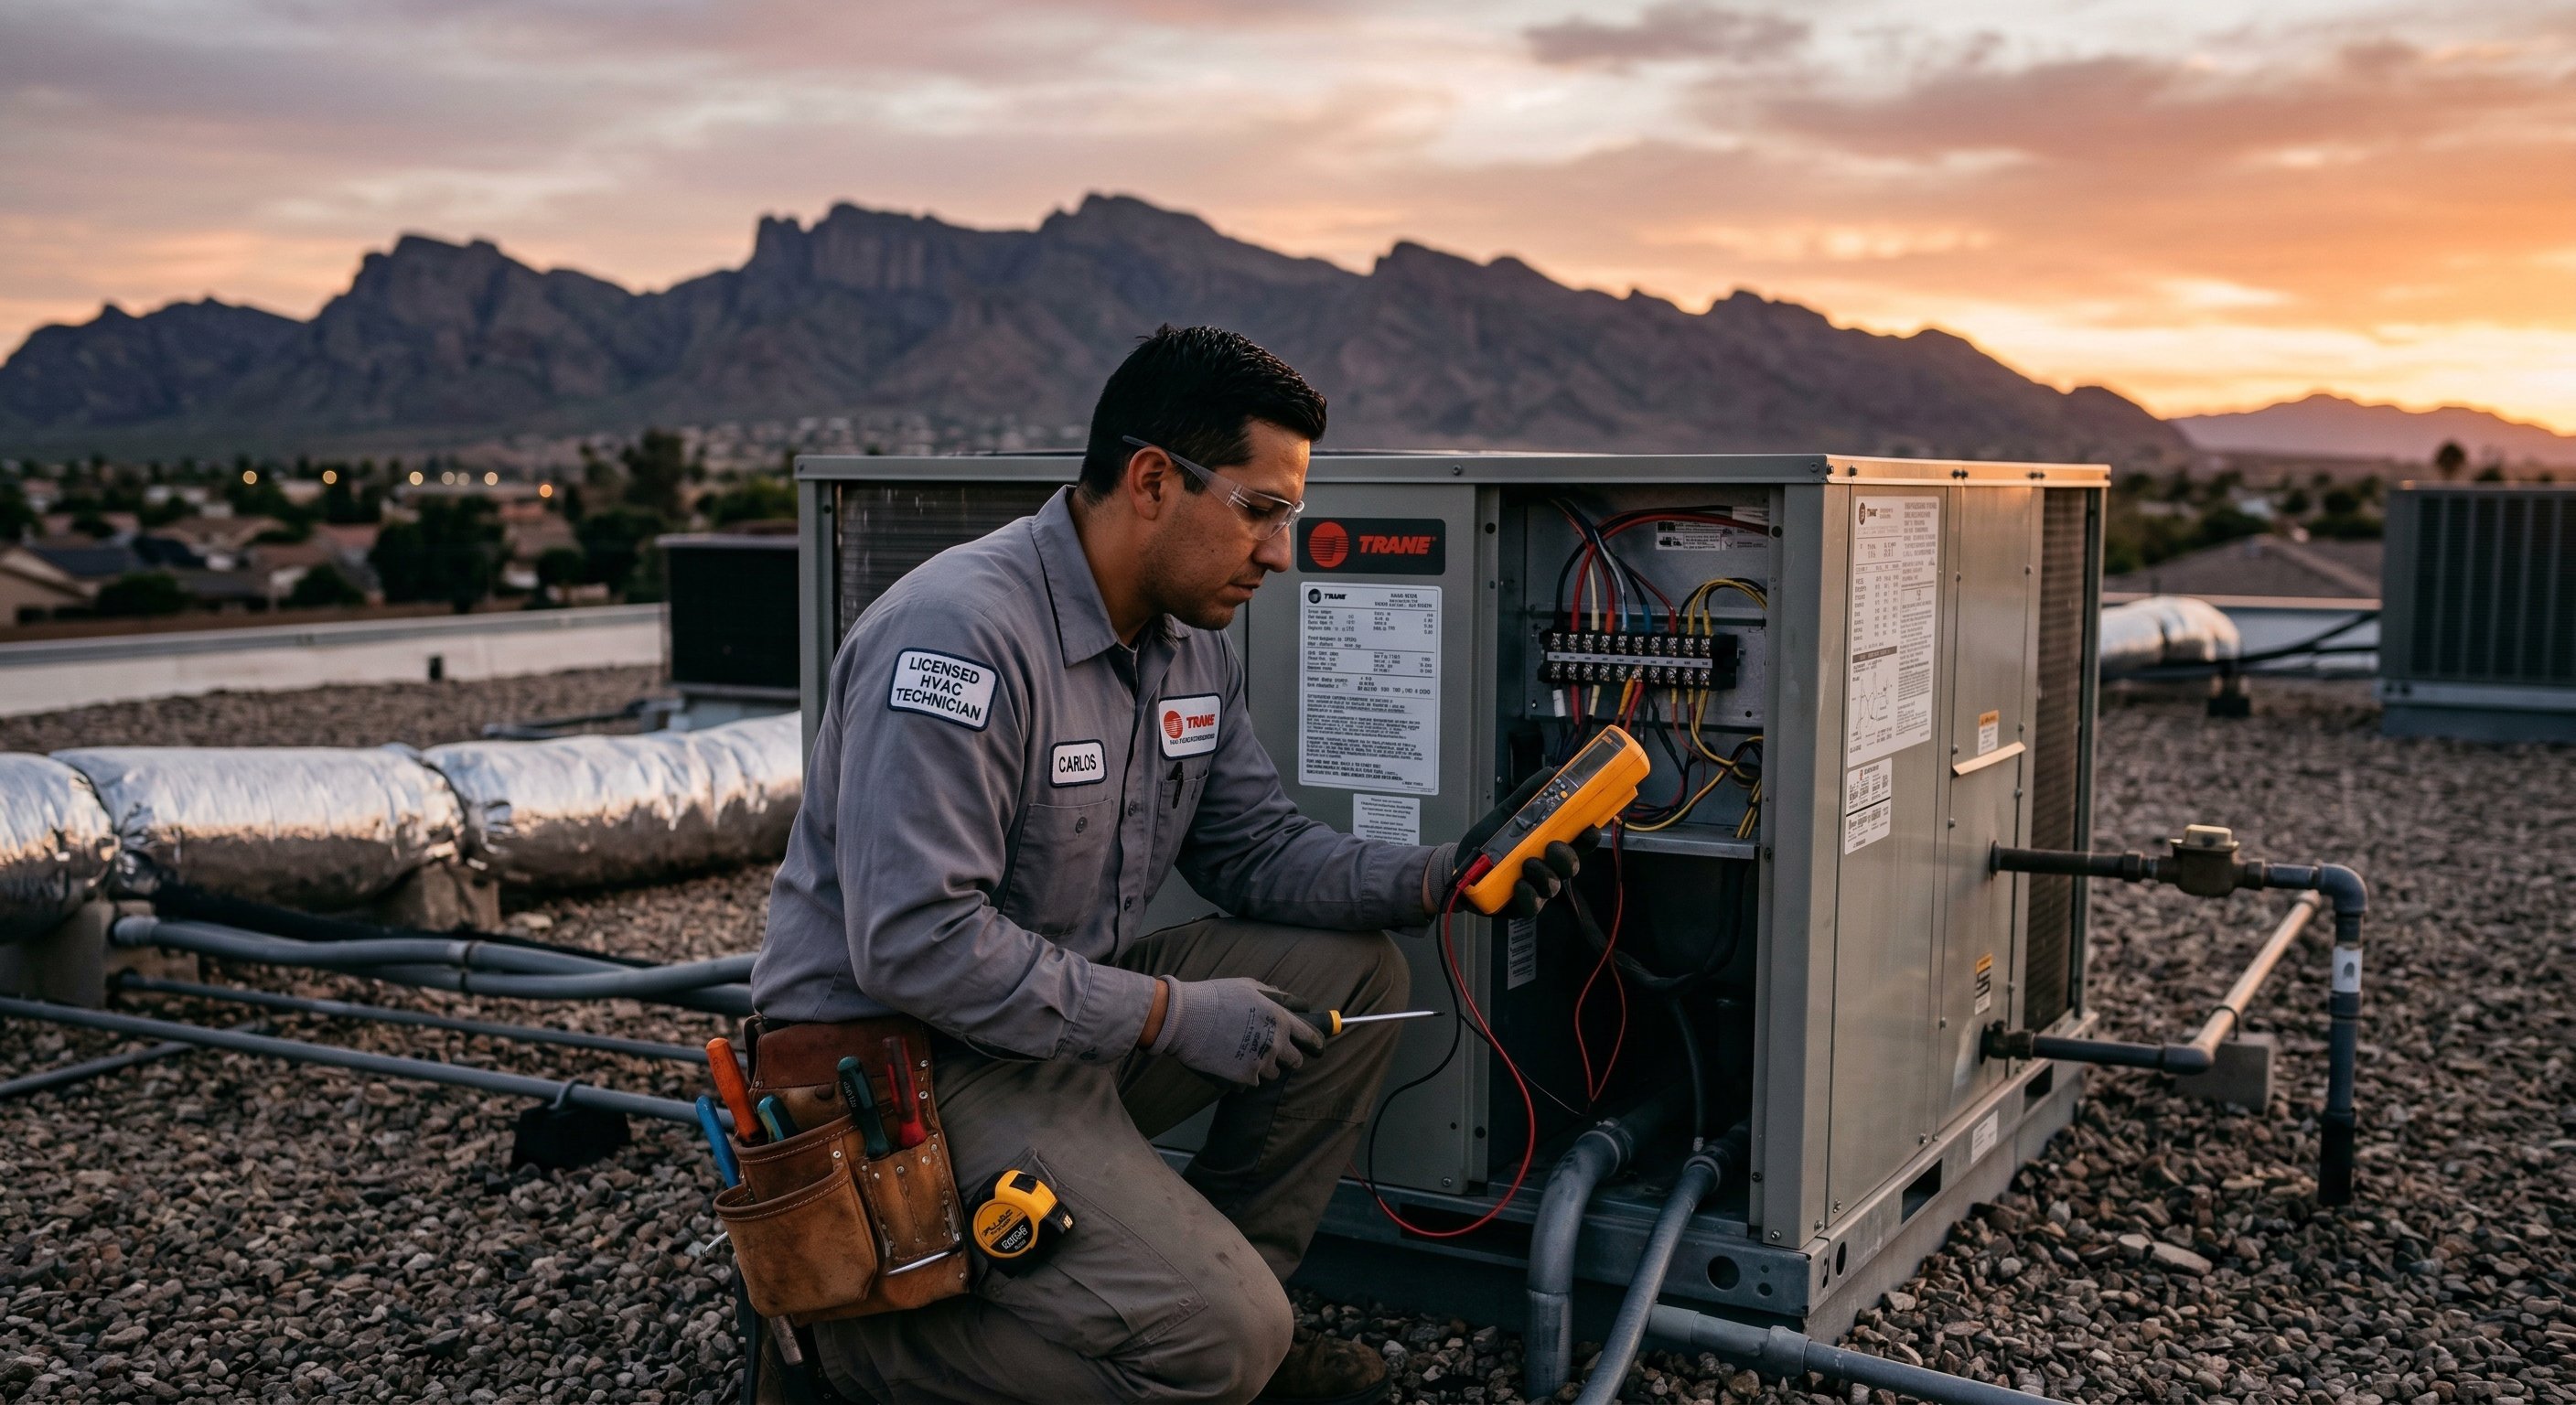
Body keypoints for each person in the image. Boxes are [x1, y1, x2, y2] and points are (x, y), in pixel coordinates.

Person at [752, 325, 1586, 1405]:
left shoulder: (1187, 645)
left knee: (1355, 975)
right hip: (897, 1074)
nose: (1281, 553)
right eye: (1261, 509)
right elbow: (918, 945)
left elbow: (1256, 852)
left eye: (1290, 516)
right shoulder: (959, 639)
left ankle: (1223, 1317)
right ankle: (859, 1353)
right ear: (1152, 480)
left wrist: (1444, 875)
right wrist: (1169, 1016)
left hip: (1047, 1029)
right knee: (1216, 1345)